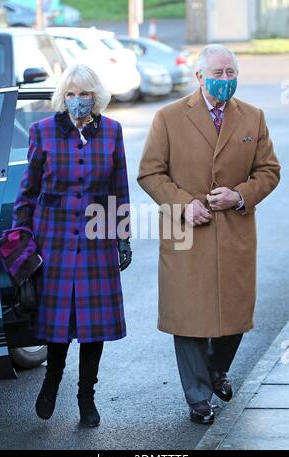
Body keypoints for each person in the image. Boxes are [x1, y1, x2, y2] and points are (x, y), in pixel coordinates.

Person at [137, 44, 280, 424]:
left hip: (235, 233)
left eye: (231, 73)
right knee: (188, 320)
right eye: (218, 74)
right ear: (200, 76)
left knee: (235, 315)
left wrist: (240, 195)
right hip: (187, 234)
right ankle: (198, 398)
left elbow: (269, 171)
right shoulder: (168, 118)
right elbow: (150, 173)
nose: (225, 81)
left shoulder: (253, 118)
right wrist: (183, 203)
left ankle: (217, 369)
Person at [12, 64, 132, 427]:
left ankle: (86, 396)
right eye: (71, 94)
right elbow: (27, 192)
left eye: (85, 94)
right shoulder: (43, 132)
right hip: (54, 241)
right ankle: (52, 380)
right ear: (62, 97)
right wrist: (21, 240)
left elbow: (118, 190)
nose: (78, 101)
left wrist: (122, 236)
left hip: (96, 242)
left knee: (93, 325)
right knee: (59, 322)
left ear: (96, 97)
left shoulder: (112, 132)